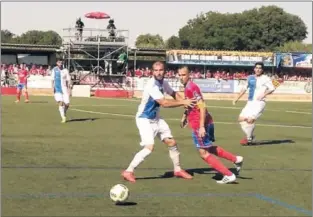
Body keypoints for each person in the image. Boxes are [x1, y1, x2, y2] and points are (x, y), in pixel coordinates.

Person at [122, 61, 196, 183]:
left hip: (156, 118)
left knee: (171, 142)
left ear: (165, 71)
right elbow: (164, 103)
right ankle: (128, 171)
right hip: (144, 119)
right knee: (149, 147)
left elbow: (173, 94)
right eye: (156, 70)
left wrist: (185, 102)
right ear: (152, 72)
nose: (158, 72)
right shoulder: (152, 85)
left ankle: (177, 170)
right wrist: (184, 102)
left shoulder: (163, 83)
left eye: (160, 70)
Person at [178, 66, 243, 184]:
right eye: (179, 75)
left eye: (183, 75)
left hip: (200, 123)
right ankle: (236, 159)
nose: (181, 77)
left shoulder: (192, 87)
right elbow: (191, 104)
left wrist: (201, 126)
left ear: (189, 75)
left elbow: (202, 106)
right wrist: (185, 116)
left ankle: (229, 174)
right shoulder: (187, 87)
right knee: (208, 147)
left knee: (203, 153)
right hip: (203, 121)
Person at [232, 62, 276, 145]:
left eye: (260, 68)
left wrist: (263, 94)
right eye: (257, 68)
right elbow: (244, 89)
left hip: (259, 103)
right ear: (254, 69)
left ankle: (249, 139)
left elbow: (272, 88)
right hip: (250, 102)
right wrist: (237, 98)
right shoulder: (250, 78)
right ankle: (250, 136)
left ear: (262, 70)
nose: (258, 69)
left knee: (250, 120)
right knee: (241, 119)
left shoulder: (265, 78)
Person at [51, 59, 71, 123]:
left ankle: (64, 111)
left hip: (64, 89)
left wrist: (69, 88)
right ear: (57, 63)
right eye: (59, 62)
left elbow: (68, 80)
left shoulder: (65, 70)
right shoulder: (54, 70)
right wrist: (52, 88)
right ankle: (63, 117)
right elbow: (52, 79)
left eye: (61, 62)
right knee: (61, 102)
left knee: (67, 104)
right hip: (57, 89)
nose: (61, 63)